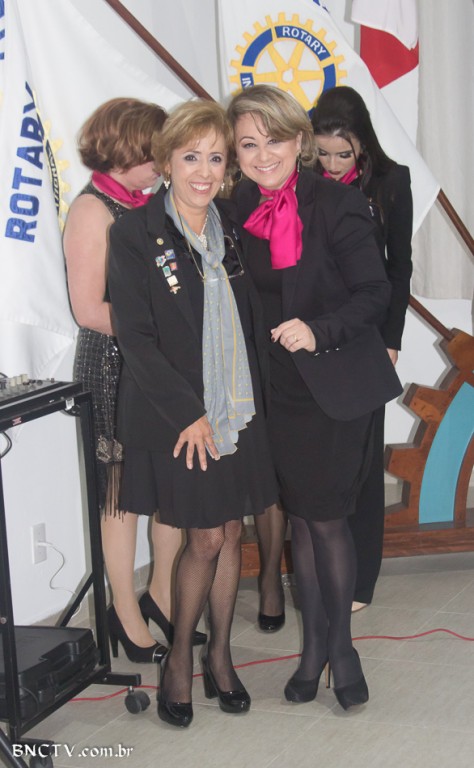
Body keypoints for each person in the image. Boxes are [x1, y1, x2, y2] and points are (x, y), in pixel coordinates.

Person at [227, 84, 402, 710]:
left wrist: (318, 330)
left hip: (334, 383)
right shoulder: (238, 204)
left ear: (299, 141)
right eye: (248, 144)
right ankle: (312, 651)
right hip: (275, 390)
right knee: (299, 518)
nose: (262, 154)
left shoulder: (336, 203)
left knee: (325, 519)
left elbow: (375, 292)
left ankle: (341, 650)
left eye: (273, 139)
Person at [107, 99, 277, 727]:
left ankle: (221, 657)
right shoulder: (134, 233)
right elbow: (137, 338)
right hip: (180, 415)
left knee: (232, 532)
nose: (204, 171)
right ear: (166, 161)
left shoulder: (233, 227)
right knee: (204, 536)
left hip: (238, 405)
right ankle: (180, 658)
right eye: (190, 157)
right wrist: (188, 412)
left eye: (216, 158)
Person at [64, 97, 198, 665]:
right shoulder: (91, 209)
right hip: (113, 364)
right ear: (123, 153)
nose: (163, 166)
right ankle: (124, 610)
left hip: (159, 365)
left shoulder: (152, 204)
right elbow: (89, 309)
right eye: (154, 156)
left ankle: (161, 598)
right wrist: (157, 325)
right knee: (121, 496)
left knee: (168, 486)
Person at [311, 86, 413, 611]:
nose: (331, 166)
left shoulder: (392, 181)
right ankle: (324, 569)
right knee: (322, 463)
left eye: (342, 155)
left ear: (363, 145)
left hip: (368, 335)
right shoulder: (303, 183)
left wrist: (392, 339)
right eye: (322, 154)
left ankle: (361, 581)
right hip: (315, 335)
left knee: (365, 462)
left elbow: (400, 267)